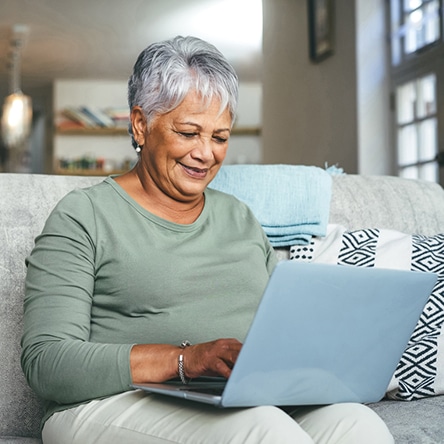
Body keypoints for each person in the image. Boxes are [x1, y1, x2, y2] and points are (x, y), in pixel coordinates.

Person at [21, 35, 394, 444]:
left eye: (219, 137)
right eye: (188, 132)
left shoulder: (239, 217)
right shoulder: (84, 216)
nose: (206, 153)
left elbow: (280, 329)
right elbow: (47, 361)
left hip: (232, 398)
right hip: (108, 402)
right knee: (265, 433)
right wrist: (186, 359)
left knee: (359, 426)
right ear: (141, 124)